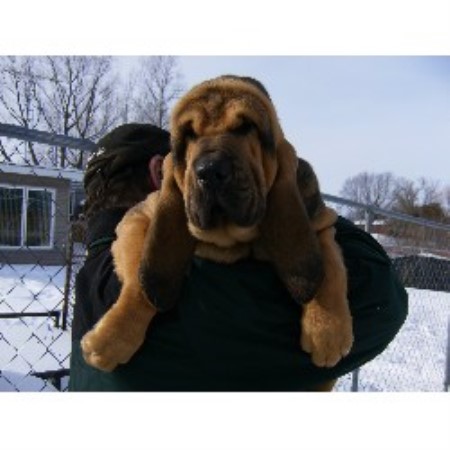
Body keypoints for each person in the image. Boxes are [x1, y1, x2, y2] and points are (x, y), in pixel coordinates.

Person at [69, 123, 408, 391]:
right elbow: (379, 291)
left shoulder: (92, 278)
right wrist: (286, 190)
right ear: (162, 172)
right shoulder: (191, 284)